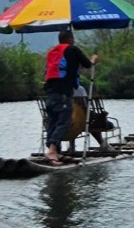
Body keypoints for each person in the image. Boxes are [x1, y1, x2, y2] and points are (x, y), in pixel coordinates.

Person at [42, 28, 108, 164]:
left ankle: (54, 151)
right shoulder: (73, 49)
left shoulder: (52, 52)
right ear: (71, 39)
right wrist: (93, 60)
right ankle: (52, 150)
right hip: (63, 92)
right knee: (64, 121)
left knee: (53, 121)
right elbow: (87, 64)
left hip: (49, 92)